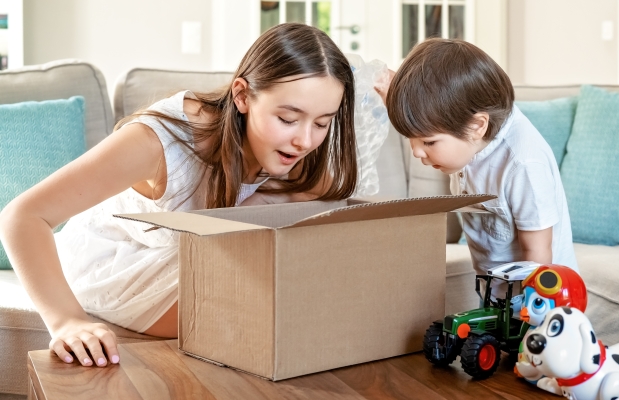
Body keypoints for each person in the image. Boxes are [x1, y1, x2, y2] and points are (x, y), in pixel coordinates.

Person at [0, 23, 359, 368]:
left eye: (322, 123)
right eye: (288, 118)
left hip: (187, 252)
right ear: (242, 96)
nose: (306, 141)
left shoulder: (293, 152)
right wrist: (67, 322)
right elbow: (22, 216)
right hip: (117, 258)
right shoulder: (159, 141)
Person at [375, 38, 578, 296]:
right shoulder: (469, 130)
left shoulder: (523, 164)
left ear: (477, 126)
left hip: (540, 302)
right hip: (495, 292)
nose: (416, 151)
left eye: (428, 141)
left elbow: (538, 254)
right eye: (410, 139)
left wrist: (530, 314)